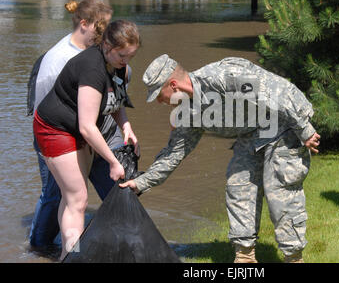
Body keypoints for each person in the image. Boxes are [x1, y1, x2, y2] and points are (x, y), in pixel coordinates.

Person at [120, 55, 320, 263]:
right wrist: (141, 183)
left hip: (283, 123)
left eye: (160, 95)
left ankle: (294, 257)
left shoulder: (221, 77)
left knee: (280, 191)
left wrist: (304, 129)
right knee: (238, 186)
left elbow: (276, 90)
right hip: (252, 133)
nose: (160, 102)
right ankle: (245, 256)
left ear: (173, 85)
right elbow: (173, 154)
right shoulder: (188, 113)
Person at [33, 20, 140, 260]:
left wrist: (126, 126)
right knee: (78, 198)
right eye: (123, 55)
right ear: (107, 46)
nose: (126, 61)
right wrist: (113, 161)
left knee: (73, 198)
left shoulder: (118, 64)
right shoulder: (92, 68)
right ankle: (73, 257)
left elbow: (116, 100)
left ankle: (66, 254)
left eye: (131, 56)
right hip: (55, 128)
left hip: (78, 128)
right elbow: (87, 127)